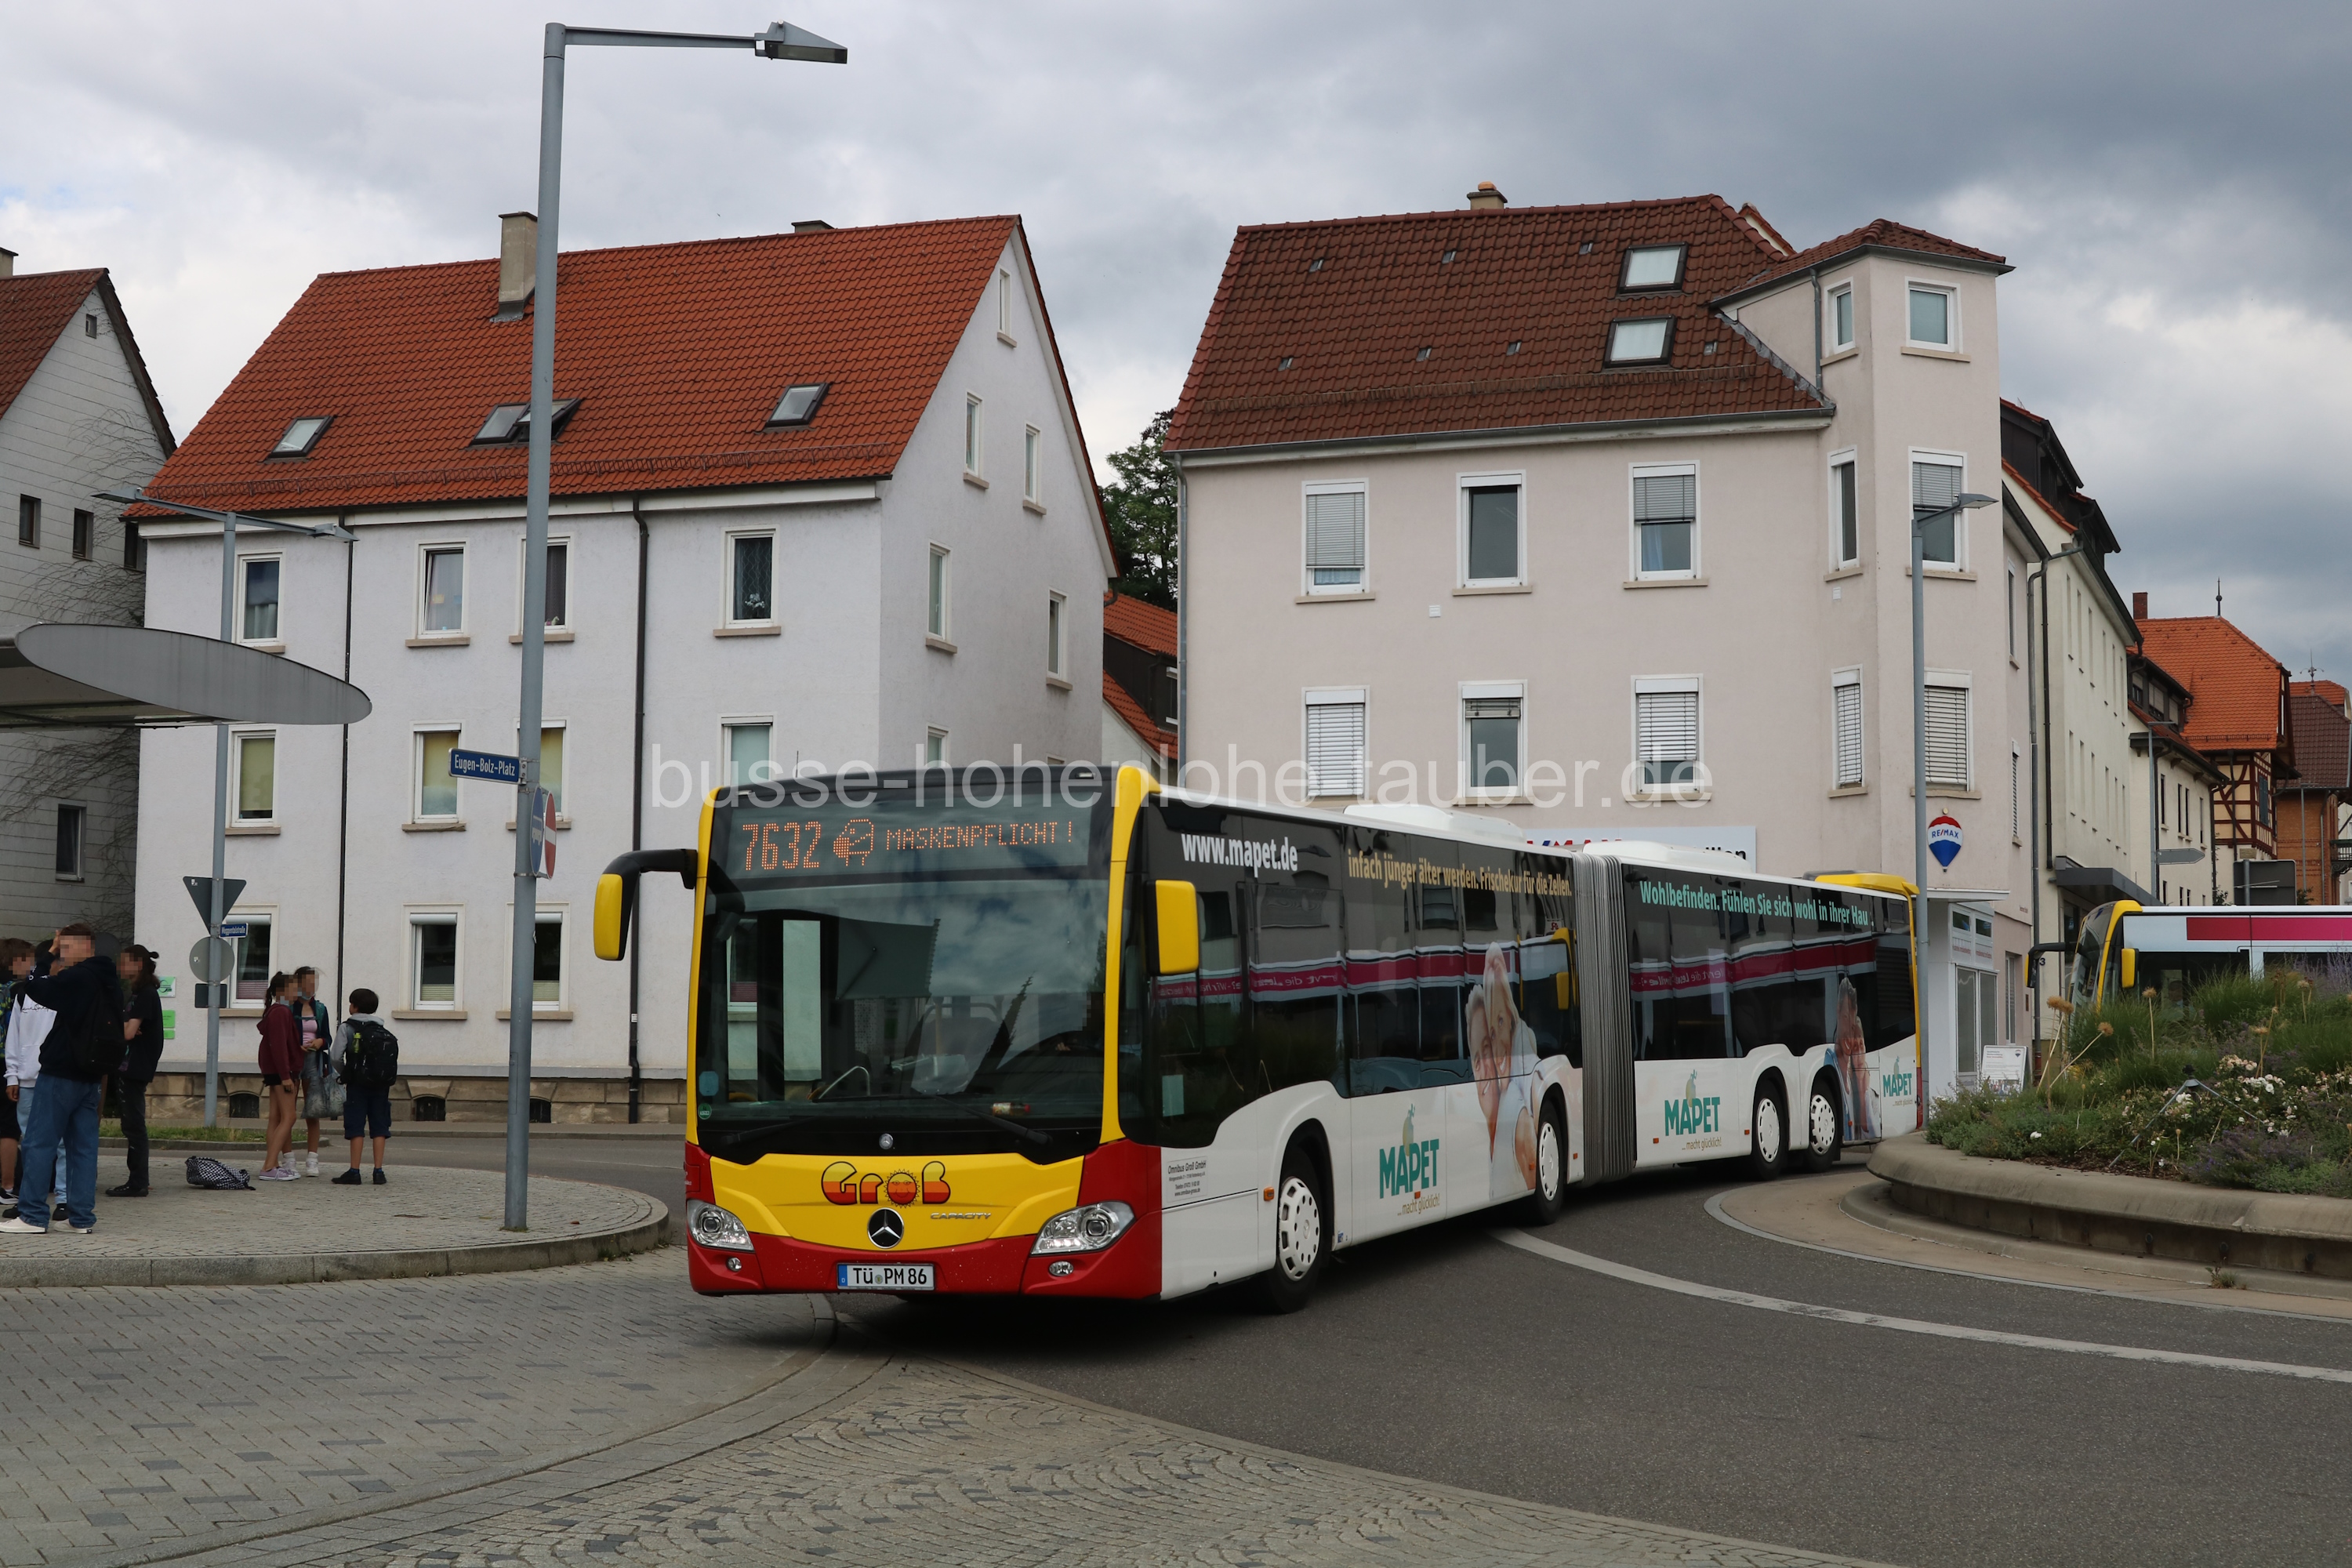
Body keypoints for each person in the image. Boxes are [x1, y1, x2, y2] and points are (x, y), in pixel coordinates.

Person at [0, 924, 124, 1235]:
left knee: (39, 1144)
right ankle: (80, 1218)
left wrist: (48, 955)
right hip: (90, 1074)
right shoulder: (108, 980)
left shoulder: (78, 977)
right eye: (62, 948)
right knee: (83, 1148)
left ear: (86, 946)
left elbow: (35, 987)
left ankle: (31, 1215)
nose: (64, 954)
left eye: (68, 947)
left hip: (61, 1072)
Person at [3, 938, 66, 1218]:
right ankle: (29, 1199)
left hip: (59, 1076)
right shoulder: (23, 994)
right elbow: (14, 1038)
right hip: (28, 1078)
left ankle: (64, 1200)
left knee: (62, 1143)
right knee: (30, 1143)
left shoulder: (69, 992)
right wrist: (12, 1076)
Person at [108, 946, 164, 1198]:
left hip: (134, 1066)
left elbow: (129, 1032)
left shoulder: (146, 994)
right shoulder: (138, 993)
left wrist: (115, 1028)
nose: (120, 967)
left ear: (138, 964)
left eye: (125, 962)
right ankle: (139, 1179)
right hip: (129, 1065)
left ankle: (138, 1181)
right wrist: (125, 1027)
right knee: (131, 1124)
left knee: (133, 1125)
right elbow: (129, 1028)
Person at [332, 988, 396, 1185]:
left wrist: (346, 1073)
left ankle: (354, 1171)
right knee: (380, 1126)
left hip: (357, 1084)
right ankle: (378, 1171)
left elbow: (335, 1056)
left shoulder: (347, 1027)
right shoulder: (381, 1028)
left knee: (356, 1125)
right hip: (381, 1084)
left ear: (354, 1006)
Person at [292, 967, 340, 1178]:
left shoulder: (320, 1009)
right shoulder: (288, 1008)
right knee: (288, 1113)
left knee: (313, 1110)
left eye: (315, 983)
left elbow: (328, 1037)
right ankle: (288, 1158)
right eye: (308, 983)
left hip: (314, 1062)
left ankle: (312, 1159)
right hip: (292, 1062)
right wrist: (295, 1045)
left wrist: (320, 1041)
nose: (312, 987)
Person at [256, 971, 304, 1180]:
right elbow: (278, 1046)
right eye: (294, 988)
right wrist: (286, 1075)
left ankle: (273, 1164)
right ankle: (269, 1167)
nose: (297, 992)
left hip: (275, 1071)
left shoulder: (276, 1011)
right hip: (280, 1073)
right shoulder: (281, 1012)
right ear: (282, 991)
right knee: (289, 1117)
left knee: (275, 1119)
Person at [0, 936, 31, 1203]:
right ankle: (8, 1186)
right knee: (9, 1127)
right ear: (17, 961)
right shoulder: (19, 990)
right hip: (9, 1063)